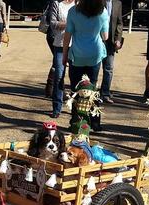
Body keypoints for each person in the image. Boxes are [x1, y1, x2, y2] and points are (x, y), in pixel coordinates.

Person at [62, 0, 109, 131]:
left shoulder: (73, 11)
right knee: (93, 89)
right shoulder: (103, 12)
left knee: (75, 89)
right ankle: (95, 122)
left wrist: (64, 54)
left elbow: (67, 35)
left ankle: (76, 121)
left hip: (77, 55)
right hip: (95, 54)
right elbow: (105, 36)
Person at [50, 0, 75, 118]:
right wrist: (70, 24)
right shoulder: (57, 3)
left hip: (76, 45)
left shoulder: (78, 4)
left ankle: (76, 109)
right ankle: (57, 107)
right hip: (59, 44)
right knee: (59, 76)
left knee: (75, 78)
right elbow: (53, 23)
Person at [100, 0, 123, 104]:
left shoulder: (118, 3)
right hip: (97, 39)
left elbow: (119, 23)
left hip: (111, 41)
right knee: (93, 67)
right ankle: (90, 93)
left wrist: (118, 39)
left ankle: (105, 93)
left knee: (108, 68)